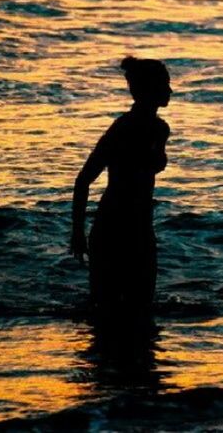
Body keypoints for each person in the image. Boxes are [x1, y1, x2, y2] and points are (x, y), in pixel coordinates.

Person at [71, 57, 171, 314]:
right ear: (149, 90)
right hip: (113, 226)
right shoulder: (122, 128)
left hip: (140, 226)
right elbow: (83, 180)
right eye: (164, 85)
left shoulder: (160, 129)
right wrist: (78, 233)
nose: (170, 91)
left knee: (140, 311)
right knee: (108, 310)